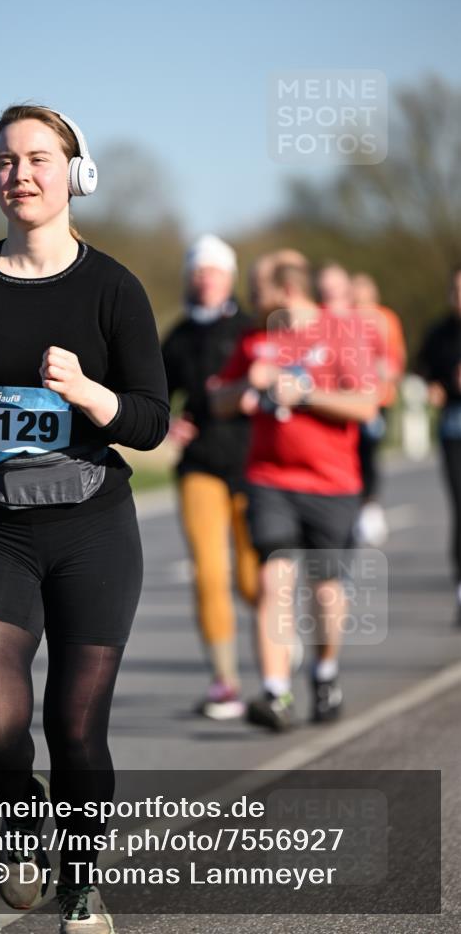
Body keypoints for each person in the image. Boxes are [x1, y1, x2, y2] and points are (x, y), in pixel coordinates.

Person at [0, 104, 169, 932]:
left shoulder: (112, 287)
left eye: (39, 157)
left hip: (93, 525)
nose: (22, 172)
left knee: (75, 725)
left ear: (74, 173)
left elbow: (153, 419)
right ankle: (24, 811)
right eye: (5, 161)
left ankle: (82, 887)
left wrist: (92, 395)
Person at [211, 254, 378, 730]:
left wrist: (304, 395)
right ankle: (276, 694)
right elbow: (219, 400)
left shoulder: (340, 333)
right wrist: (247, 384)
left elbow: (366, 405)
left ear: (285, 290)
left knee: (325, 593)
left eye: (256, 288)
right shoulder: (254, 339)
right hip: (269, 479)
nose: (248, 297)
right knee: (273, 580)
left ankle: (324, 674)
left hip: (332, 483)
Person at [161, 234, 258, 720]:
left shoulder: (251, 328)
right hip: (199, 466)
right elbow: (152, 392)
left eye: (214, 271)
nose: (206, 279)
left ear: (230, 276)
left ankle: (278, 651)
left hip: (252, 463)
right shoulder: (177, 336)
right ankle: (226, 683)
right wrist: (166, 422)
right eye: (199, 271)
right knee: (208, 574)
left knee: (249, 577)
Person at [416, 264, 461, 626]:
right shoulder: (439, 334)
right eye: (456, 290)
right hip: (454, 429)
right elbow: (423, 371)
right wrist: (433, 387)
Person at [351, 273, 407, 546]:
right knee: (353, 451)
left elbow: (395, 357)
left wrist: (387, 373)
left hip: (378, 398)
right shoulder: (344, 319)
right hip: (349, 397)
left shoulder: (385, 318)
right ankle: (358, 502)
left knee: (370, 450)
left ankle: (370, 503)